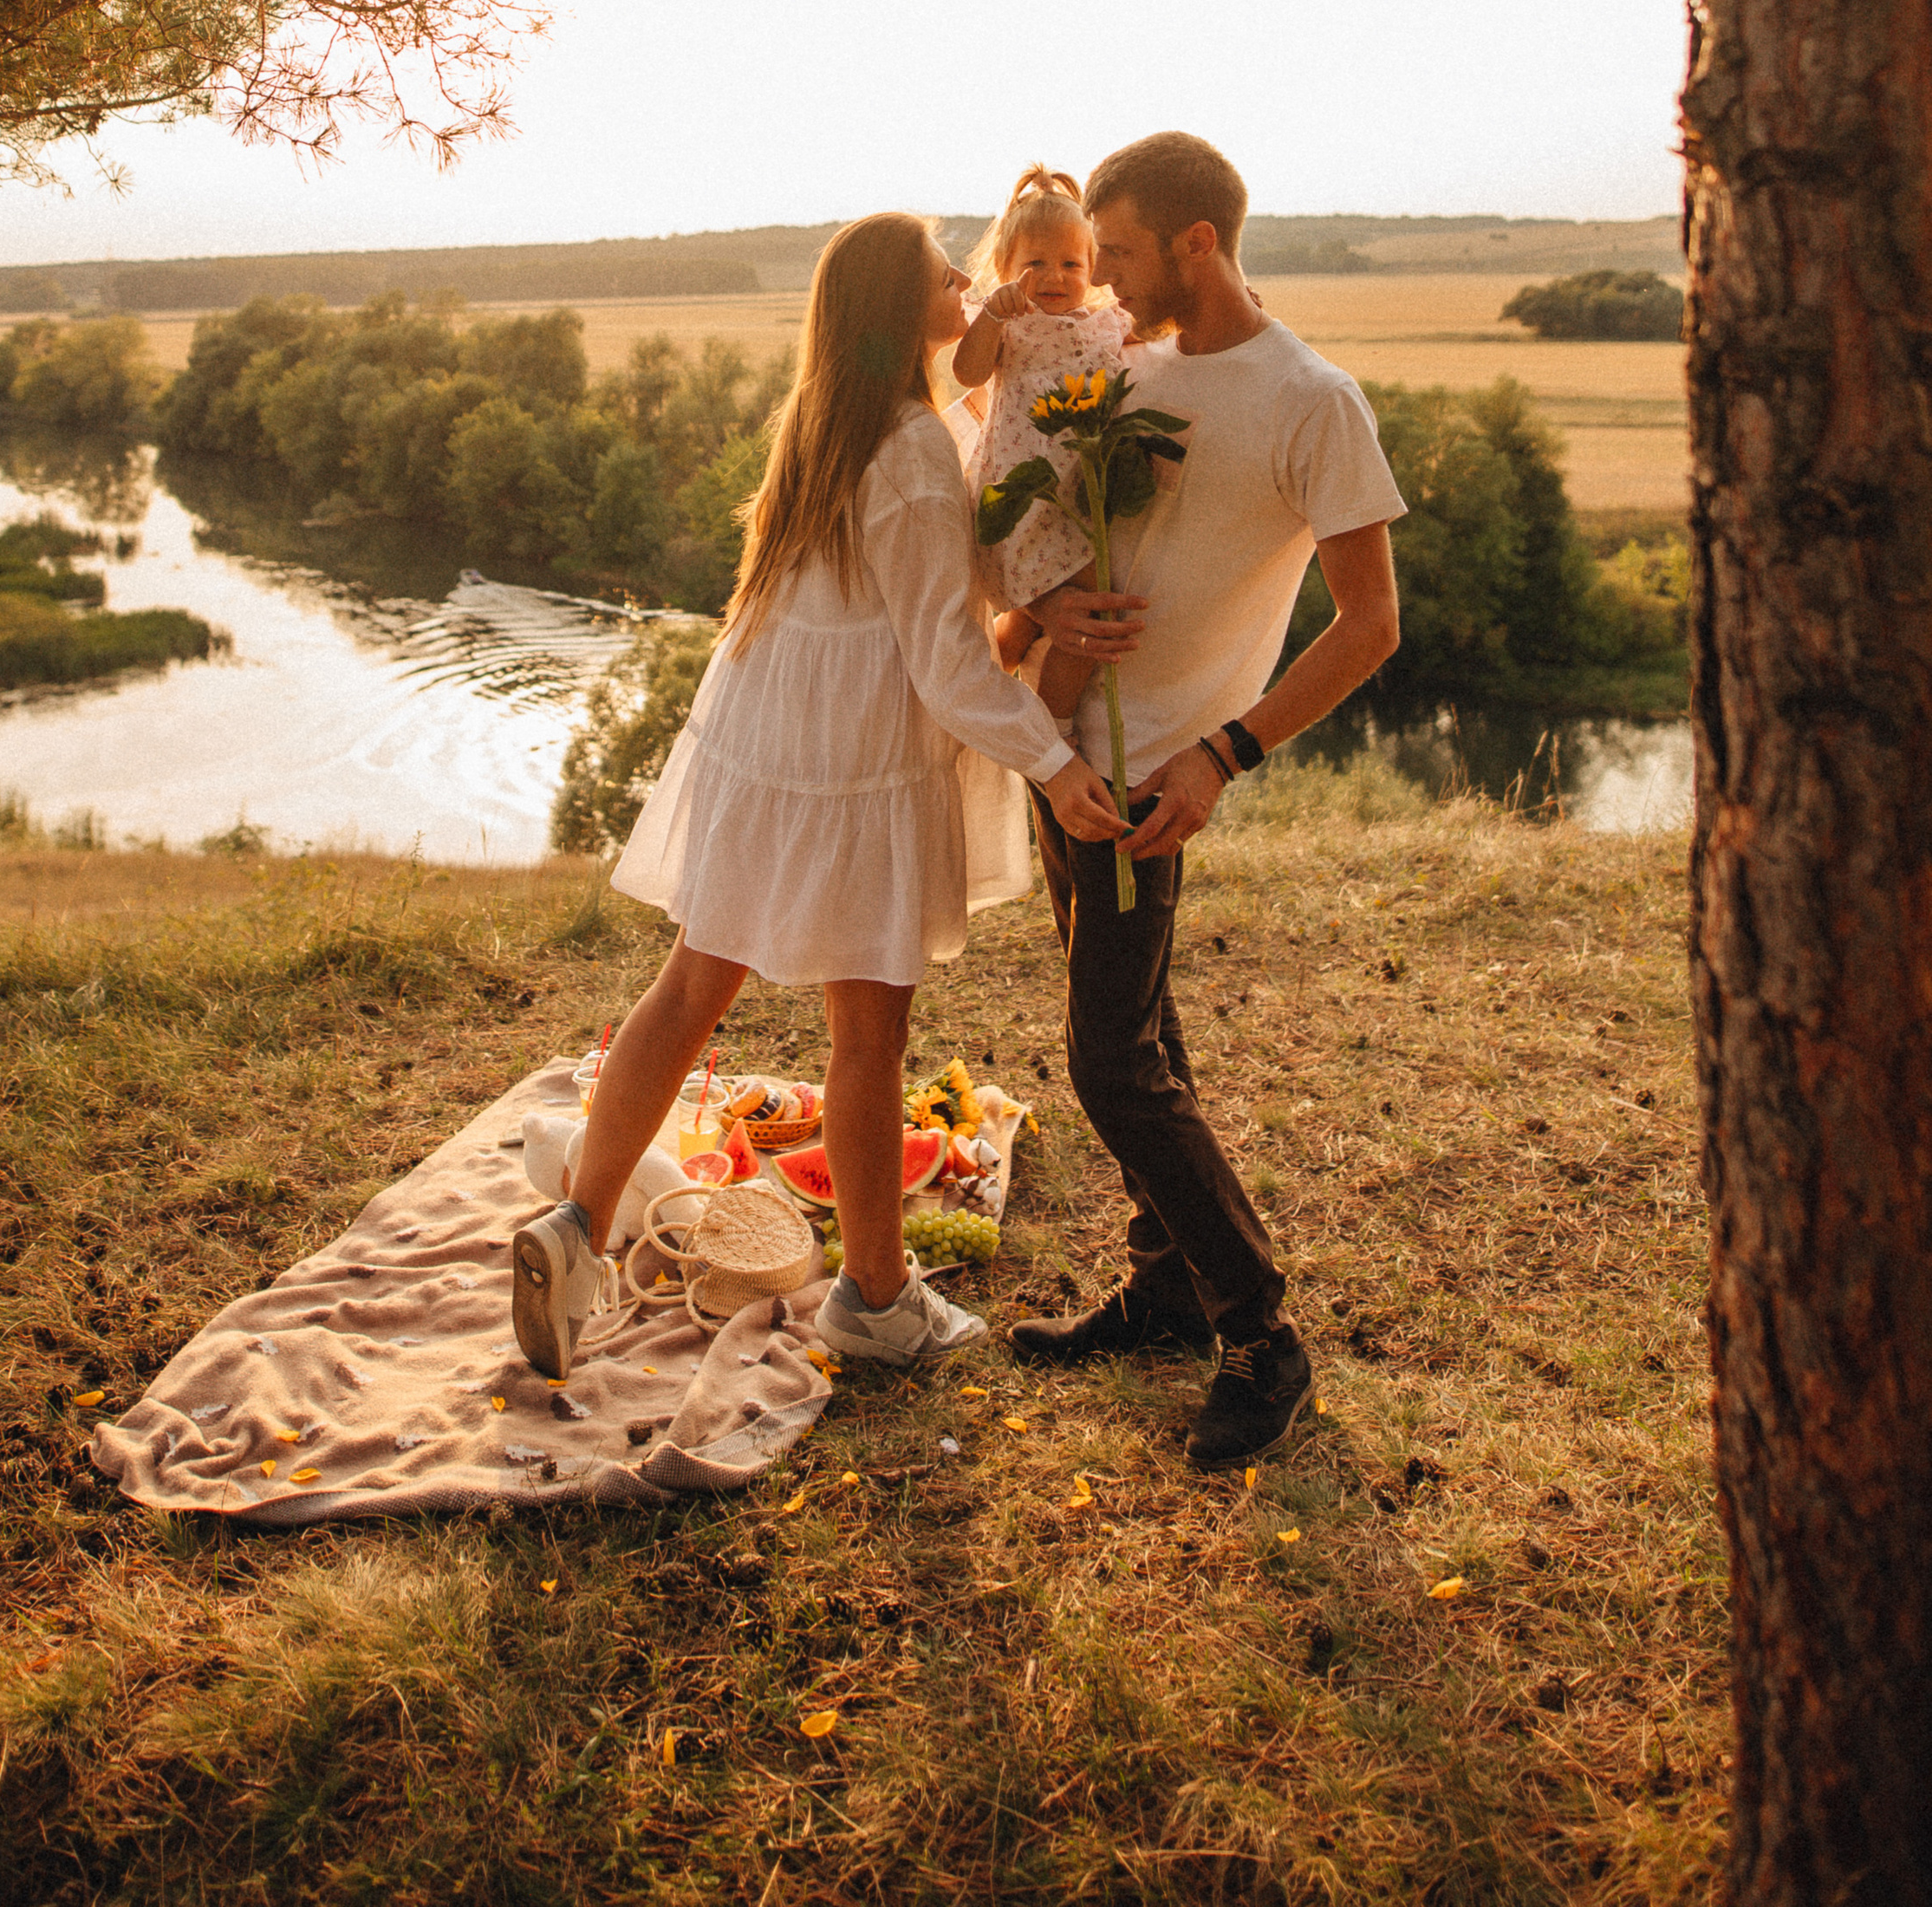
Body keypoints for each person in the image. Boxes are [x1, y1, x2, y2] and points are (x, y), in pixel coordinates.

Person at [510, 212, 1116, 1381]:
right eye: (945, 267)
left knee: (691, 984)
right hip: (845, 763)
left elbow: (934, 569)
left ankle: (575, 1229)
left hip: (766, 730)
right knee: (869, 1036)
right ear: (904, 312)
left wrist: (1042, 603)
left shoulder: (831, 422)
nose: (965, 274)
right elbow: (945, 662)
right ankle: (878, 1301)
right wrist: (1057, 760)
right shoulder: (908, 448)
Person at [1008, 131, 1406, 1468]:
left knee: (1111, 1063)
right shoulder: (1128, 365)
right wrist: (1040, 609)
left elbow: (1369, 627)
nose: (1101, 281)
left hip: (1157, 779)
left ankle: (1263, 1336)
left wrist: (1224, 755)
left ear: (1196, 244)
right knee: (1147, 1042)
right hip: (1065, 755)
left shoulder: (1313, 401)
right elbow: (1052, 521)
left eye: (1117, 252)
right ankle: (1169, 1288)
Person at [951, 164, 1135, 712]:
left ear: (1094, 268)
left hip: (1076, 491)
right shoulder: (1010, 324)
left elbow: (1166, 331)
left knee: (1040, 616)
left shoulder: (1106, 324)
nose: (1053, 277)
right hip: (1023, 494)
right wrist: (991, 316)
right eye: (1034, 264)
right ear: (1004, 270)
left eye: (1070, 263)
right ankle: (1054, 723)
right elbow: (967, 372)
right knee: (1087, 610)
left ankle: (991, 682)